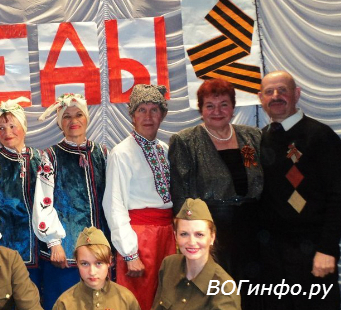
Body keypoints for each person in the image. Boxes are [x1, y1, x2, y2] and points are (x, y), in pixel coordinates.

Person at [168, 79, 262, 306]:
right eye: (210, 105)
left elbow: (255, 177)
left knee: (252, 293)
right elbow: (180, 195)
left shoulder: (251, 138)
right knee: (217, 296)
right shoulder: (186, 141)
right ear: (200, 109)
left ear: (233, 107)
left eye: (224, 104)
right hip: (212, 231)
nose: (217, 111)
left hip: (252, 229)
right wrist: (191, 237)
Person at [257, 70, 341, 309]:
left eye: (282, 90)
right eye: (269, 91)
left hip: (314, 253)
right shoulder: (259, 139)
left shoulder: (320, 136)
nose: (276, 96)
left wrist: (327, 249)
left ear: (297, 94)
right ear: (261, 98)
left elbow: (338, 195)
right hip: (273, 257)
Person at [103, 84, 175, 310]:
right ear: (132, 116)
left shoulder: (165, 149)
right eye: (141, 110)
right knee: (139, 300)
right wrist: (130, 253)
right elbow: (114, 205)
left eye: (154, 110)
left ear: (162, 115)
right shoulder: (121, 153)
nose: (148, 116)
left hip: (167, 236)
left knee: (168, 298)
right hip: (140, 239)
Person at [34, 93, 108, 309]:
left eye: (78, 115)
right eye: (67, 116)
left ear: (86, 118)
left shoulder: (102, 153)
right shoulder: (51, 156)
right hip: (64, 253)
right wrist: (54, 242)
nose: (73, 121)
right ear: (60, 123)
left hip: (99, 251)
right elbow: (43, 201)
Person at [0, 97, 42, 285]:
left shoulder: (40, 158)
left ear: (23, 127)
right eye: (1, 128)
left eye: (13, 126)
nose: (7, 132)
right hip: (5, 245)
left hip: (39, 248)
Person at [151, 198, 241, 310]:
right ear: (175, 236)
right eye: (184, 234)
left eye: (199, 234)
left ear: (212, 237)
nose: (191, 242)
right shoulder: (169, 265)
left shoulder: (224, 288)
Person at [53, 227, 140, 310]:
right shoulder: (64, 303)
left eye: (99, 263)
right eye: (85, 264)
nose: (92, 272)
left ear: (109, 261)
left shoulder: (126, 299)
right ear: (77, 262)